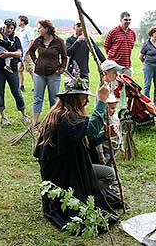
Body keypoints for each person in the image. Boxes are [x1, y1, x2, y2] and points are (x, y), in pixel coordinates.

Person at [33, 77, 120, 229]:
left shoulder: (65, 114)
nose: (86, 100)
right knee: (108, 175)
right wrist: (101, 101)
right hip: (64, 176)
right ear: (73, 98)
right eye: (84, 96)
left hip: (70, 168)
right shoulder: (65, 118)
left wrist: (105, 136)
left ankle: (87, 191)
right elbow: (91, 129)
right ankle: (84, 194)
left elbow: (82, 143)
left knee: (105, 174)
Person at [0, 18, 29, 125]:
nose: (9, 30)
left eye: (11, 28)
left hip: (12, 69)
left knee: (16, 92)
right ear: (3, 27)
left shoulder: (15, 39)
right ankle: (3, 117)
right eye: (7, 27)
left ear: (14, 29)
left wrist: (8, 54)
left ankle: (24, 114)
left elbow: (19, 53)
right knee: (0, 92)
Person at [29, 20, 67, 127]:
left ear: (46, 29)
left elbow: (64, 57)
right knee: (37, 98)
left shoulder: (59, 41)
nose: (38, 30)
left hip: (54, 75)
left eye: (40, 28)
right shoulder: (38, 40)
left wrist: (61, 69)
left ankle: (52, 124)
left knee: (54, 100)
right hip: (39, 74)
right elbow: (31, 51)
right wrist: (35, 60)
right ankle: (34, 124)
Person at [95, 93, 124, 167]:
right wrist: (101, 153)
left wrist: (121, 145)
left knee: (111, 163)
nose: (114, 110)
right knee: (106, 165)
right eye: (112, 108)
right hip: (106, 149)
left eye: (115, 108)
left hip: (114, 147)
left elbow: (119, 132)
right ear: (105, 108)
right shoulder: (101, 121)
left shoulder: (115, 118)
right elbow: (98, 140)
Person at [104, 11, 136, 77]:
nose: (128, 21)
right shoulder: (113, 32)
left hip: (127, 66)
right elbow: (106, 47)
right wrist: (112, 58)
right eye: (126, 20)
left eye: (129, 20)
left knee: (128, 86)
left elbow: (131, 48)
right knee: (114, 87)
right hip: (114, 66)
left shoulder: (132, 33)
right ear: (121, 20)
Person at [139, 26, 156, 106]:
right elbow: (140, 56)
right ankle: (146, 102)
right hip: (149, 66)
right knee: (147, 85)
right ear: (151, 34)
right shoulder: (146, 44)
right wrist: (146, 64)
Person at [18, 15, 35, 92]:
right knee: (19, 69)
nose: (18, 22)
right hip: (21, 53)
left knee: (31, 70)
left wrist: (26, 51)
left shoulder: (28, 29)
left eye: (19, 20)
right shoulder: (21, 30)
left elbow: (31, 41)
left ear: (22, 21)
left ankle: (36, 86)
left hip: (26, 53)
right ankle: (21, 85)